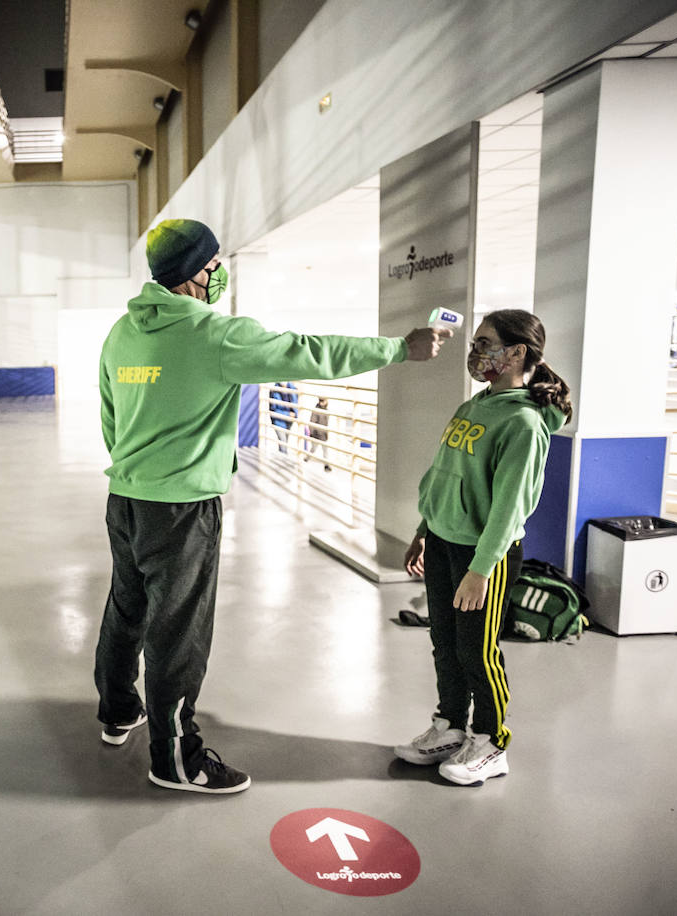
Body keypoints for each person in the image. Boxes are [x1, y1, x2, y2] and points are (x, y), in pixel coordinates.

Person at [96, 218, 451, 795]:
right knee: (177, 633)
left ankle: (117, 711)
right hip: (182, 510)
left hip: (127, 498)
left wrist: (138, 468)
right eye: (213, 266)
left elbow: (110, 416)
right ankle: (174, 758)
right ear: (194, 275)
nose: (219, 276)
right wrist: (398, 349)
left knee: (127, 608)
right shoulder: (216, 334)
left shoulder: (121, 333)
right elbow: (308, 353)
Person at [395, 309, 572, 787]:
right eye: (475, 344)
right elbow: (442, 477)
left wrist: (481, 569)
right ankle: (451, 727)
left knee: (478, 651)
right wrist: (422, 529)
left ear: (517, 353)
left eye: (484, 344)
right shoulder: (473, 406)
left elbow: (511, 508)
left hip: (483, 556)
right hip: (444, 541)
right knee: (445, 643)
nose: (474, 353)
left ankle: (492, 743)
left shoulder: (524, 422)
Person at [303, 395, 331, 470]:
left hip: (323, 434)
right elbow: (312, 421)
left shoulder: (326, 410)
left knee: (325, 450)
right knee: (313, 449)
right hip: (316, 434)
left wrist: (326, 433)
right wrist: (311, 433)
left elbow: (326, 423)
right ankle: (306, 459)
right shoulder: (316, 410)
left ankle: (326, 465)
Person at [267, 381, 297, 454]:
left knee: (285, 444)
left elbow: (296, 404)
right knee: (283, 446)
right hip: (278, 421)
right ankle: (282, 463)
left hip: (289, 421)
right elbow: (273, 410)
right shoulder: (274, 390)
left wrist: (295, 415)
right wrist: (288, 414)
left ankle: (282, 461)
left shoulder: (293, 388)